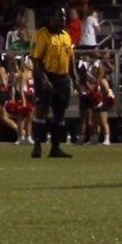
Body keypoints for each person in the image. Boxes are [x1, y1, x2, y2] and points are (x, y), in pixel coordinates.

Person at [30, 11, 76, 160]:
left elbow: (70, 58)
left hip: (62, 78)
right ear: (50, 17)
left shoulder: (66, 35)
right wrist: (43, 79)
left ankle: (55, 147)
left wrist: (73, 78)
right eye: (59, 16)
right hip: (46, 75)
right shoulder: (42, 34)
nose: (63, 19)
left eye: (64, 16)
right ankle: (37, 146)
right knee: (41, 110)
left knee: (60, 113)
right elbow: (36, 60)